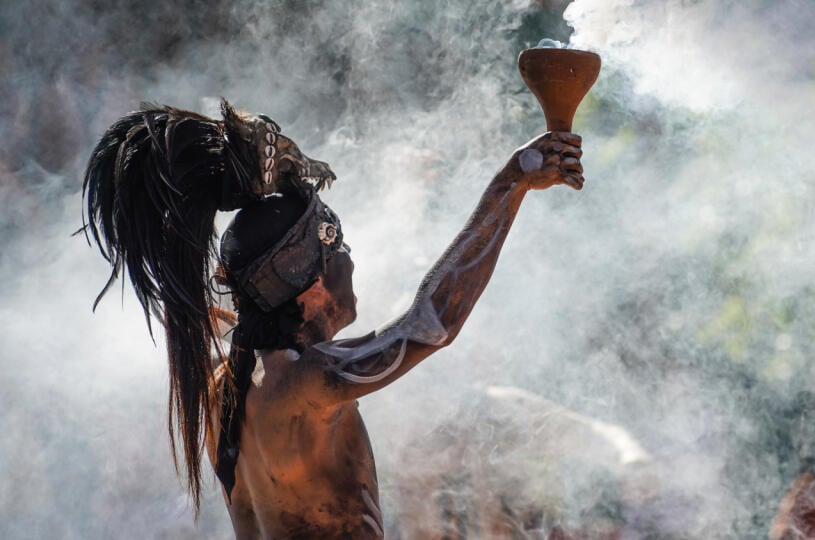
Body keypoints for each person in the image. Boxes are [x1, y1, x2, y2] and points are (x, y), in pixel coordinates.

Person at [83, 99, 584, 538]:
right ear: (313, 289)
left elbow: (220, 318)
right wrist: (512, 180)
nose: (350, 257)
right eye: (338, 249)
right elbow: (432, 323)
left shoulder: (225, 377)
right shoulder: (306, 382)